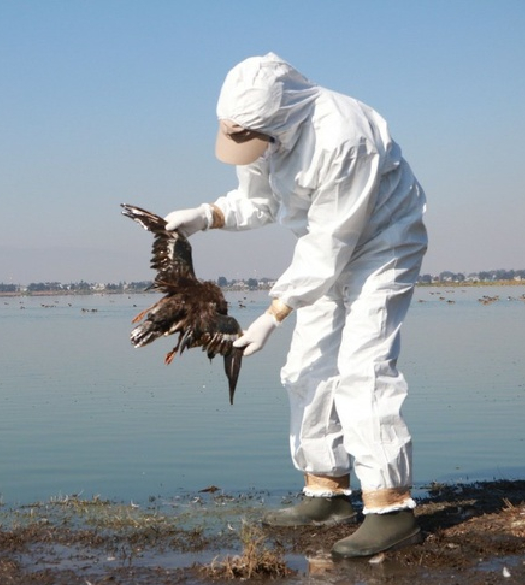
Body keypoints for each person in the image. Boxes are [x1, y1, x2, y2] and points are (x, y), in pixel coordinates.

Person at [165, 53, 428, 558]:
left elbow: (333, 243)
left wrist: (273, 314)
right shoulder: (269, 130)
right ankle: (325, 491)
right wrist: (207, 215)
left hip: (382, 242)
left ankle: (391, 509)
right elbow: (261, 202)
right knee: (306, 365)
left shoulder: (343, 135)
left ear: (278, 115)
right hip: (323, 246)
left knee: (362, 367)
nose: (242, 143)